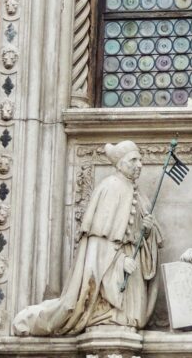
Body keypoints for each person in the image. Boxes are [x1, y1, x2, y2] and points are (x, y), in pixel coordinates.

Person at [13, 141, 162, 335]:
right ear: (120, 163)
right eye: (134, 160)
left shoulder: (137, 193)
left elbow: (141, 237)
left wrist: (148, 232)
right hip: (114, 265)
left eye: (140, 160)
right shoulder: (110, 188)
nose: (139, 165)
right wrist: (120, 262)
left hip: (132, 268)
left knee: (134, 316)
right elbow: (99, 243)